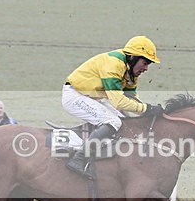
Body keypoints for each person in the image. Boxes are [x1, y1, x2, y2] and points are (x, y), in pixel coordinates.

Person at [62, 35, 163, 179]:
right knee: (113, 122)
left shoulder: (131, 72)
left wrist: (147, 111)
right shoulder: (114, 64)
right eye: (145, 62)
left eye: (149, 64)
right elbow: (119, 103)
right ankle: (79, 159)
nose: (146, 68)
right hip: (75, 95)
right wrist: (147, 109)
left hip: (92, 97)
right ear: (133, 57)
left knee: (124, 121)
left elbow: (130, 98)